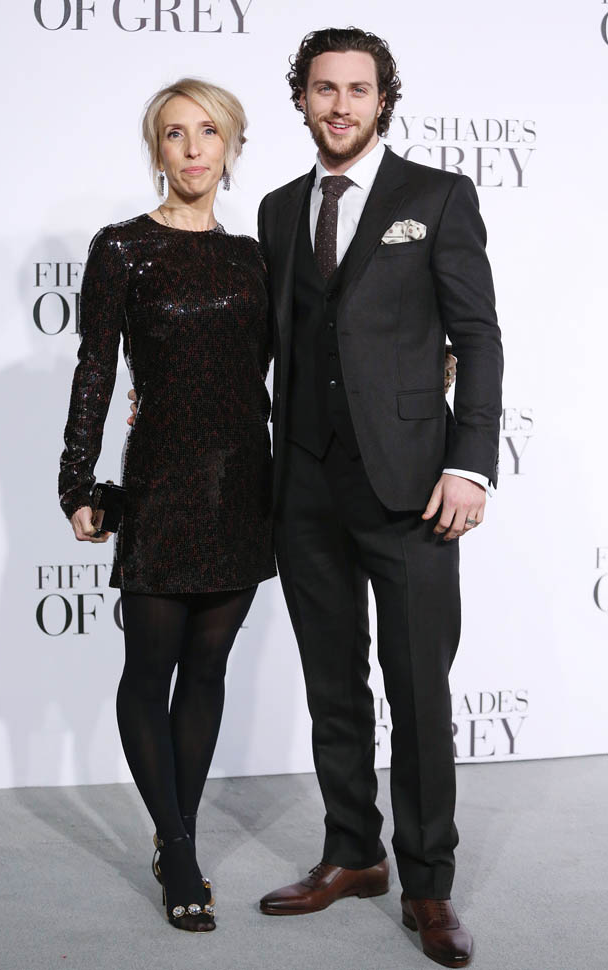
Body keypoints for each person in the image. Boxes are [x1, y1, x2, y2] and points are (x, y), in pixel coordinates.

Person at [254, 28, 503, 969]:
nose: (340, 106)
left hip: (411, 488)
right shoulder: (279, 208)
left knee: (418, 693)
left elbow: (477, 336)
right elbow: (273, 342)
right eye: (324, 89)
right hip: (304, 484)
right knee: (332, 685)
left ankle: (428, 884)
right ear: (302, 99)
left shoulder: (436, 196)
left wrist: (468, 464)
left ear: (383, 100)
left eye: (357, 89)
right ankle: (353, 854)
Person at [58, 78, 276, 933]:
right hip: (159, 483)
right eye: (175, 133)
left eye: (208, 132)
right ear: (157, 149)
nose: (192, 149)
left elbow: (295, 359)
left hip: (242, 483)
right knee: (150, 670)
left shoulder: (254, 255)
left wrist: (420, 359)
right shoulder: (122, 248)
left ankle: (173, 831)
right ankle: (179, 849)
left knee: (208, 671)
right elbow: (95, 368)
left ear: (231, 146)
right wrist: (77, 480)